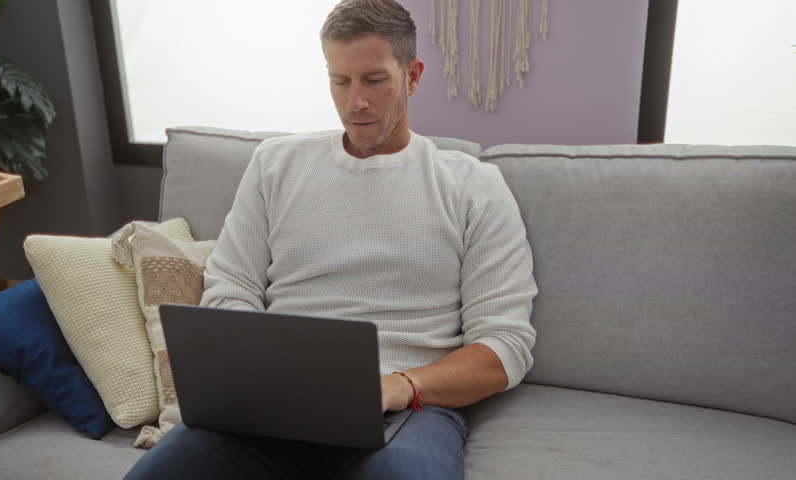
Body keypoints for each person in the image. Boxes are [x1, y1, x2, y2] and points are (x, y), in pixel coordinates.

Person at [125, 0, 537, 478]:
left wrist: (401, 385)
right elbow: (230, 290)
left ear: (413, 75)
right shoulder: (275, 166)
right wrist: (262, 375)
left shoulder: (472, 186)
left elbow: (504, 345)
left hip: (409, 410)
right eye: (339, 81)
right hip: (273, 405)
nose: (354, 101)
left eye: (374, 80)